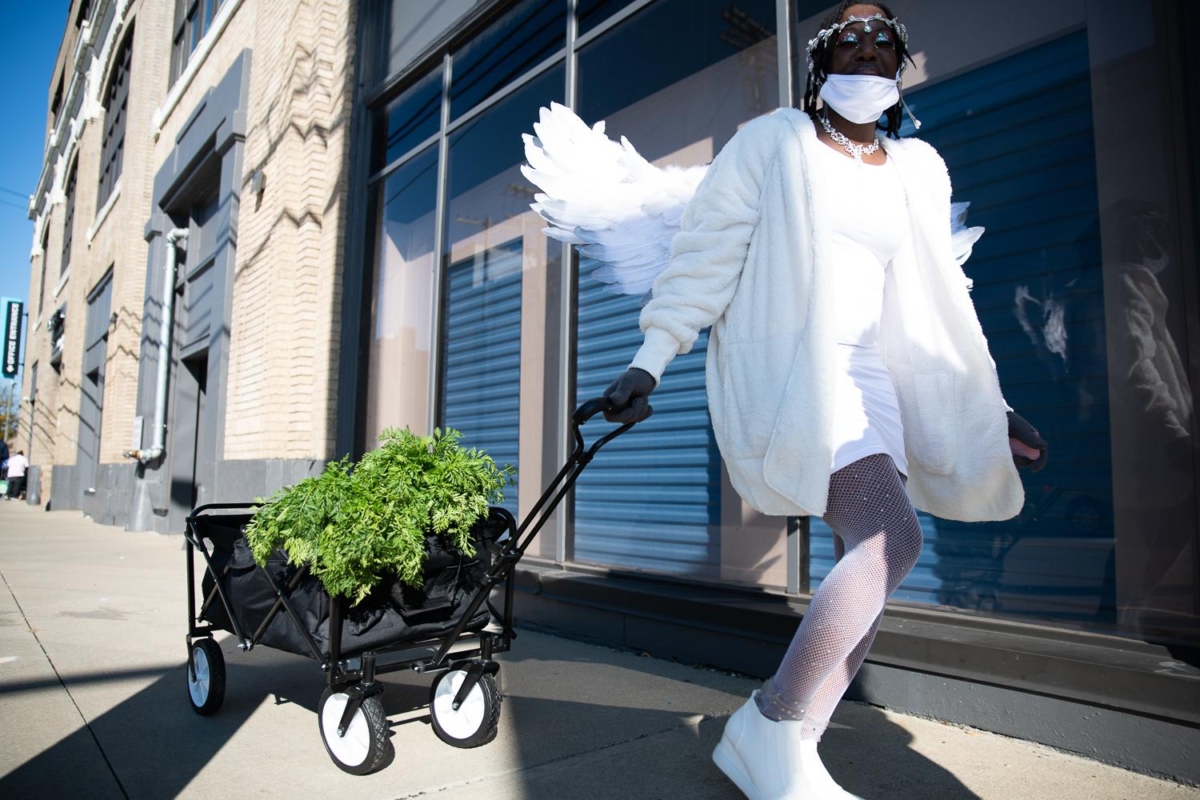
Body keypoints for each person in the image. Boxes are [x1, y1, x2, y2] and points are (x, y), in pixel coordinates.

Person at [600, 3, 1047, 798]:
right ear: (821, 61)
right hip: (796, 374)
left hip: (877, 378)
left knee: (880, 556)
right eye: (850, 36)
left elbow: (950, 299)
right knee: (888, 540)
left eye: (884, 40)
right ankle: (768, 724)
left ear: (899, 67)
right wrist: (649, 359)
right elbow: (706, 255)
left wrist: (993, 402)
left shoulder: (918, 168)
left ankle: (791, 743)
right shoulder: (773, 143)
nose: (867, 47)